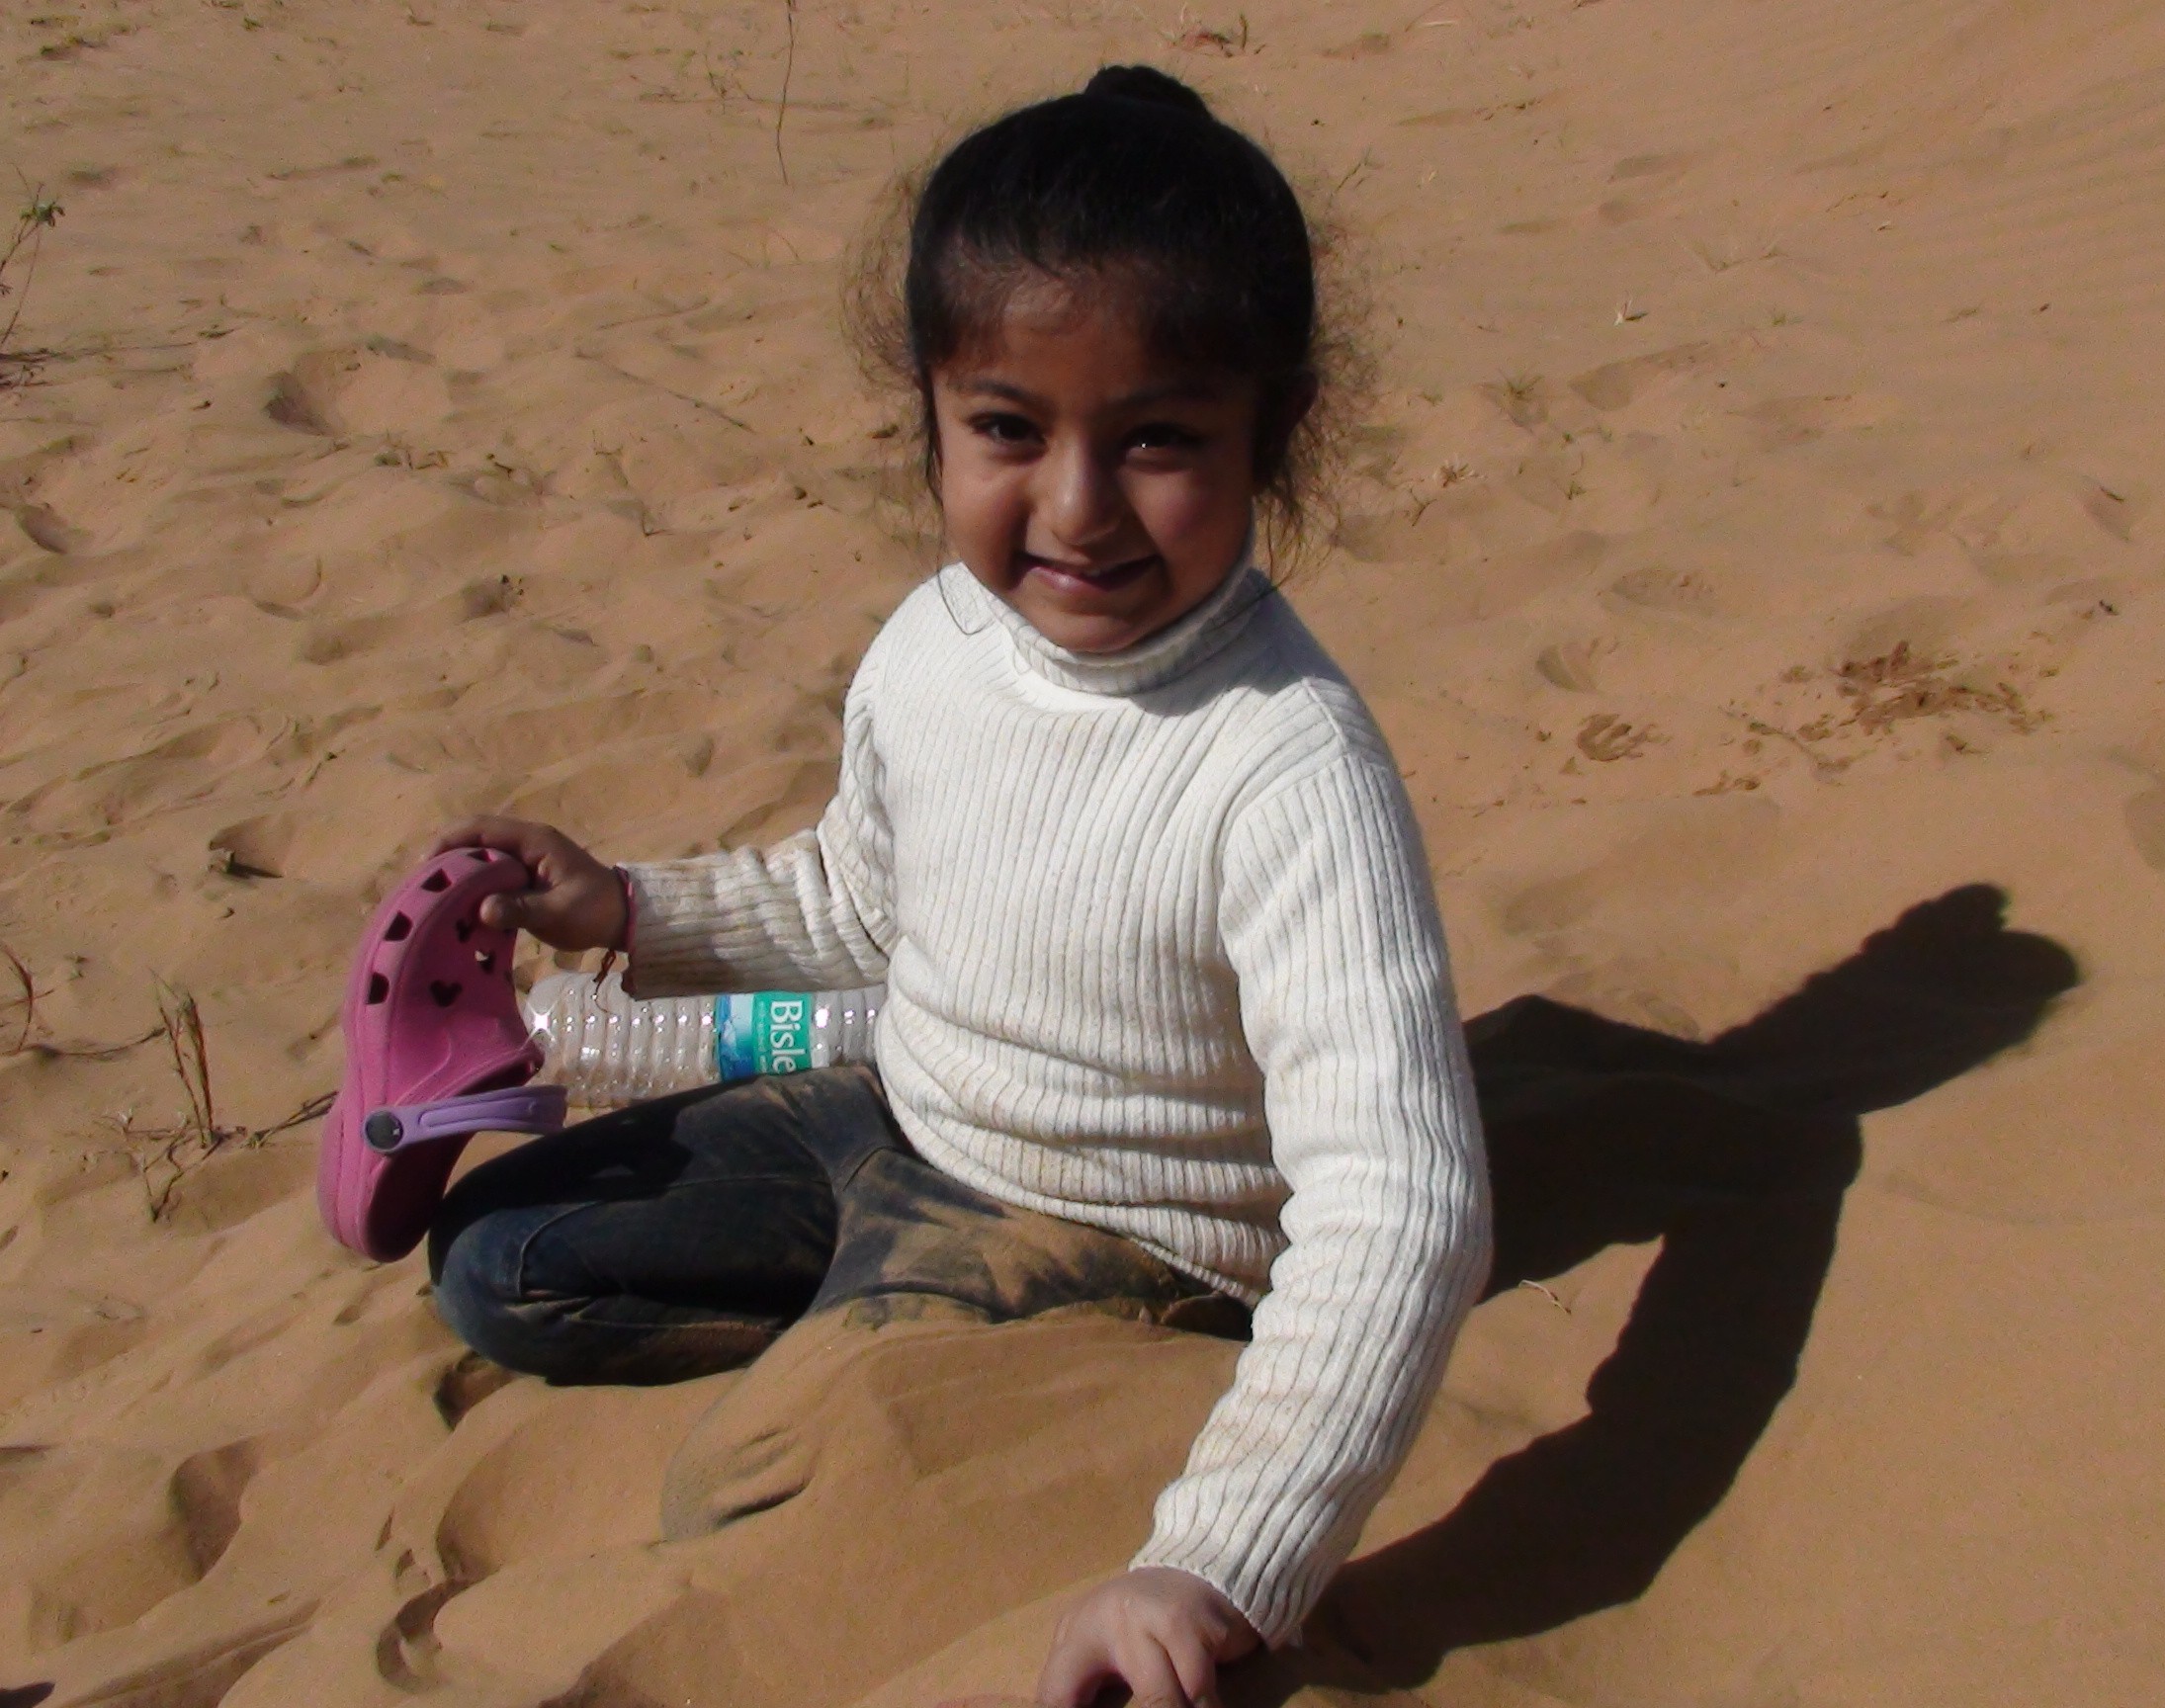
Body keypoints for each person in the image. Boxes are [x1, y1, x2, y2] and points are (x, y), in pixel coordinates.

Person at [425, 64, 1490, 1708]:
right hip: (893, 1112)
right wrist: (630, 909)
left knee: (761, 1497)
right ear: (928, 411)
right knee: (503, 1254)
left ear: (1272, 436)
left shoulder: (1288, 769)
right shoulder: (937, 642)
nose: (1076, 507)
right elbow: (860, 900)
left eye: (1158, 441)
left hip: (1114, 1227)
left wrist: (1218, 1559)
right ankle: (887, 1341)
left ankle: (1027, 1393)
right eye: (1009, 429)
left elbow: (1404, 1206)